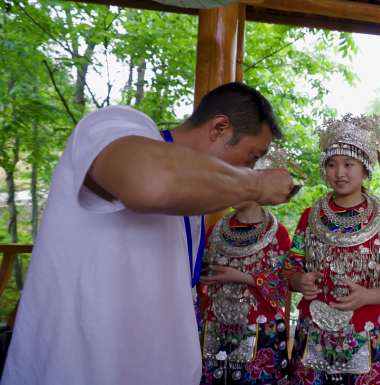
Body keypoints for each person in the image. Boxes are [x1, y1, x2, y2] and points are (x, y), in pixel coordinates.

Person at [2, 82, 294, 385]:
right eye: (251, 156)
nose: (252, 167)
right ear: (219, 128)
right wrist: (256, 184)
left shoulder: (195, 199)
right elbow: (150, 183)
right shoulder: (116, 125)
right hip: (83, 367)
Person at [284, 114, 380, 385]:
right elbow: (289, 269)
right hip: (314, 329)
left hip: (364, 331)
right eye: (332, 164)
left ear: (365, 168)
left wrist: (368, 295)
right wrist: (299, 280)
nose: (339, 173)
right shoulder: (310, 216)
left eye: (348, 164)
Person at [199, 200, 291, 385]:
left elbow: (283, 286)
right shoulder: (214, 231)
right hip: (217, 328)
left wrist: (242, 277)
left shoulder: (277, 233)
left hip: (261, 330)